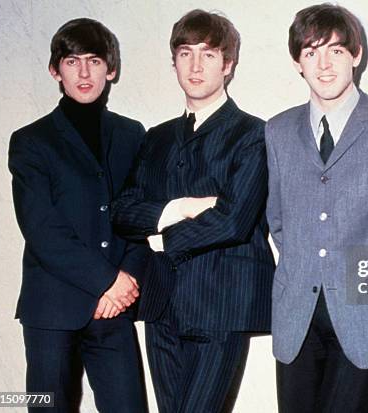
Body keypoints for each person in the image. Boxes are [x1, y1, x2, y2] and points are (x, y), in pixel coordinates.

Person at [265, 4, 368, 412]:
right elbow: (278, 220)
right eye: (311, 52)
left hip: (367, 318)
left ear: (356, 55)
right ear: (296, 62)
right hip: (295, 319)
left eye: (336, 51)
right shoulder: (277, 130)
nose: (324, 64)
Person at [112, 9, 274, 413]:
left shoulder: (254, 134)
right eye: (186, 53)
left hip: (221, 303)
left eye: (209, 54)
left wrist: (159, 236)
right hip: (162, 302)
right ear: (174, 62)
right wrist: (178, 208)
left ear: (229, 65)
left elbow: (235, 220)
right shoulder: (156, 138)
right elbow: (121, 211)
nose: (196, 65)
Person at [8, 18, 148, 412]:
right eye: (72, 62)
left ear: (111, 68)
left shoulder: (132, 134)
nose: (84, 72)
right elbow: (41, 230)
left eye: (94, 61)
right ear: (56, 70)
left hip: (113, 307)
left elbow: (139, 216)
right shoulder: (30, 142)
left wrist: (127, 283)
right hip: (51, 308)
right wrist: (107, 280)